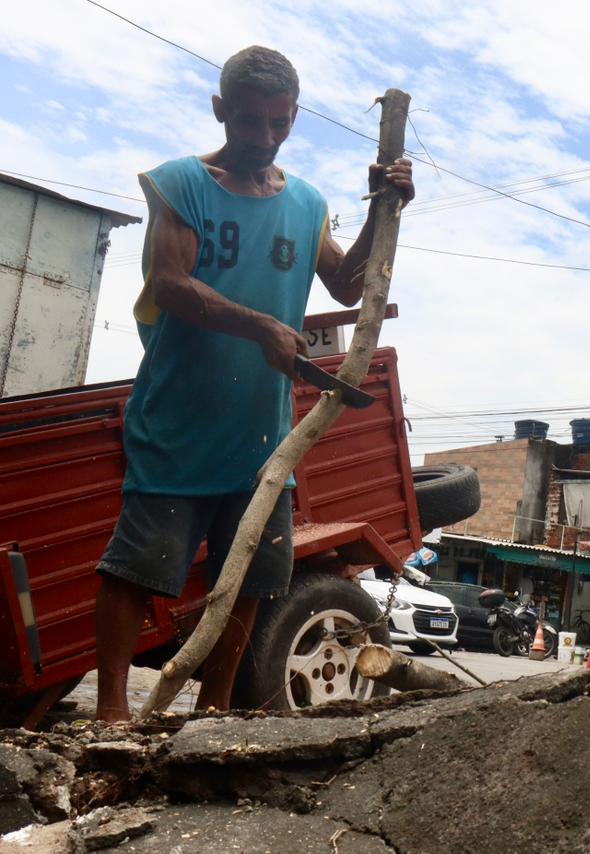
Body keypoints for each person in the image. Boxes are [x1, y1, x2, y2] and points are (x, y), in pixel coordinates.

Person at [92, 45, 415, 722]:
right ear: (220, 111)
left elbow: (346, 281)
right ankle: (113, 714)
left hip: (263, 434)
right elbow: (170, 286)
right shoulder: (181, 183)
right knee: (135, 570)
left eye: (278, 123)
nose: (263, 138)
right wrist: (263, 327)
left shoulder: (305, 202)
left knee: (249, 579)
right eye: (248, 123)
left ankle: (215, 710)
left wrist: (387, 208)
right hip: (177, 425)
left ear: (295, 115)